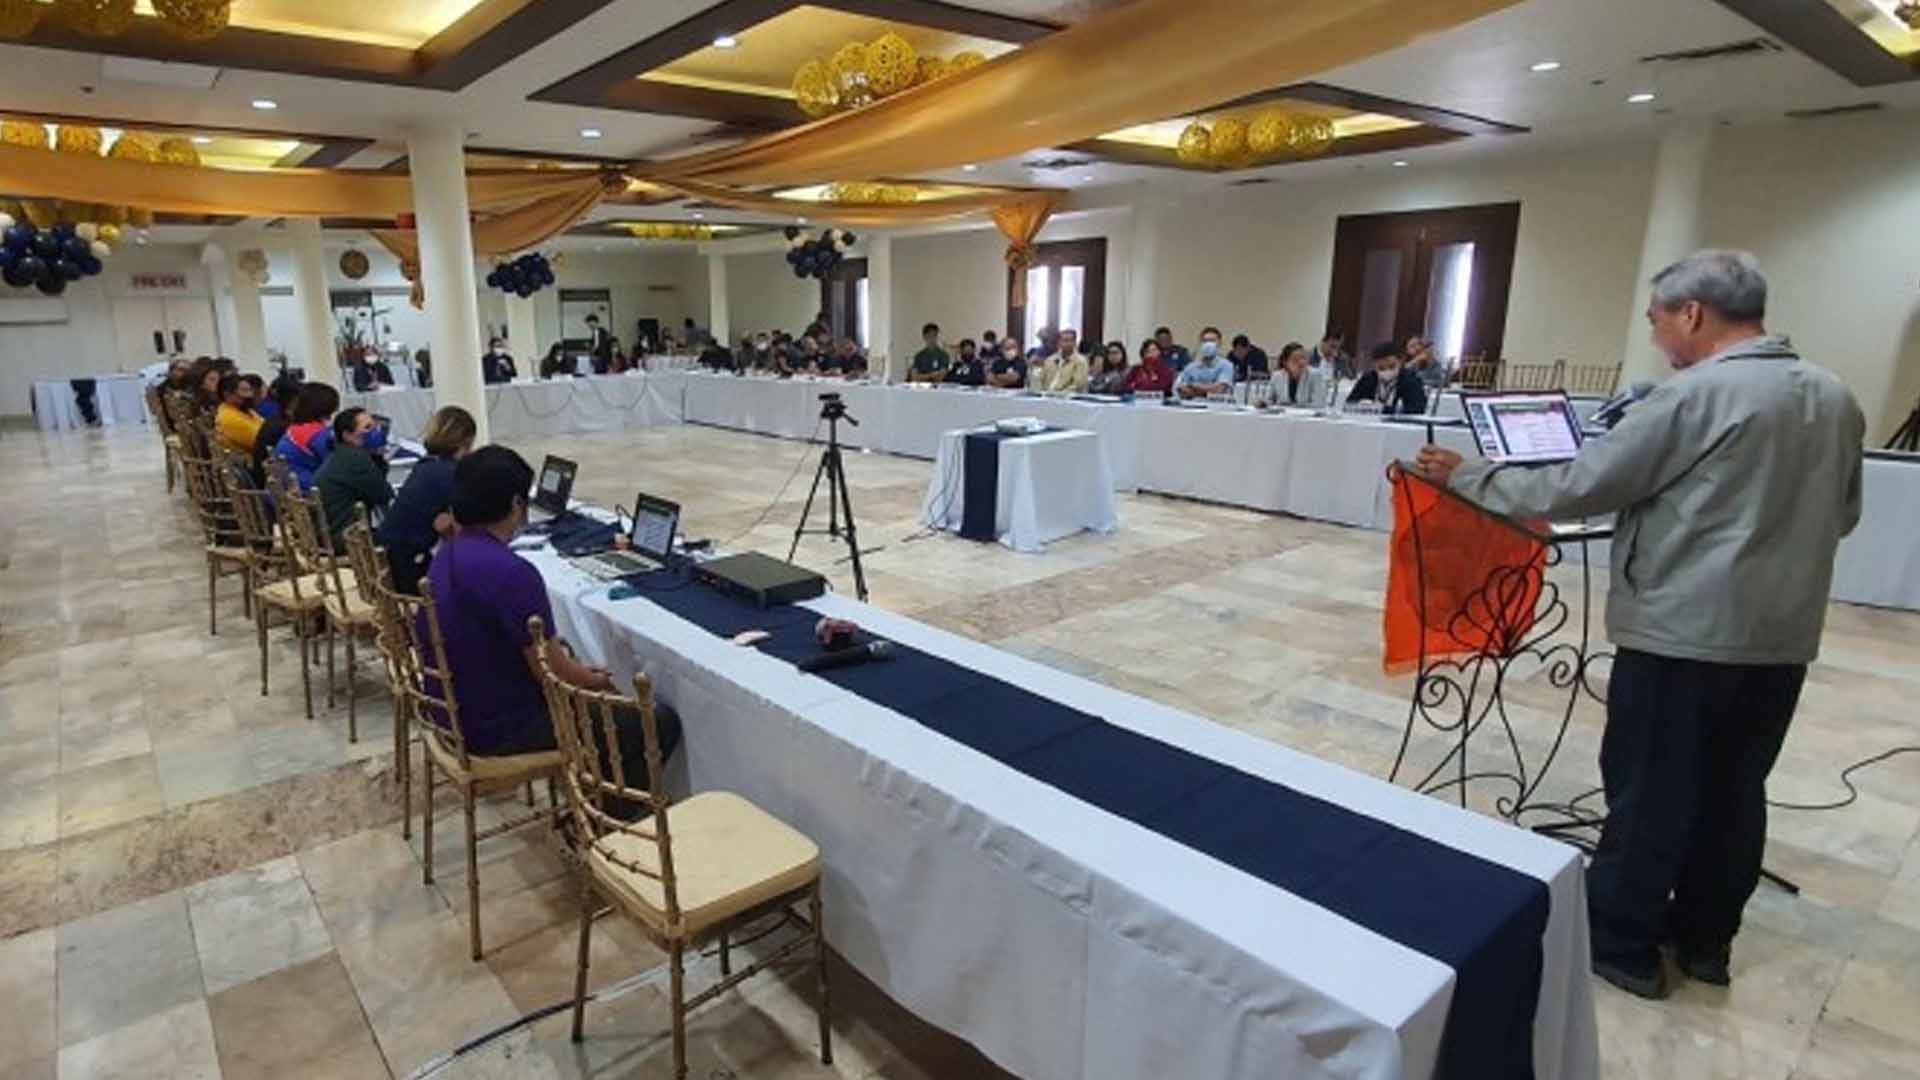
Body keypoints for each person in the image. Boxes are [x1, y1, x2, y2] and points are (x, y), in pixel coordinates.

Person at [1415, 250, 1865, 1000]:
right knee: (1735, 788)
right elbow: (1843, 515)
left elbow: (1579, 485)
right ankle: (1706, 942)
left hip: (1683, 631)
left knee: (1653, 789)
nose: (1655, 336)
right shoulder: (1834, 395)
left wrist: (1467, 475)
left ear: (1692, 313)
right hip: (1781, 639)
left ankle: (1622, 945)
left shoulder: (1694, 397)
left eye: (1656, 319)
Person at [421, 445, 682, 796]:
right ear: (516, 505)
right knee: (653, 722)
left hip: (448, 710)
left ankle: (591, 795)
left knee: (594, 691)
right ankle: (610, 818)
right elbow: (555, 675)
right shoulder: (512, 573)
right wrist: (595, 681)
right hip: (495, 729)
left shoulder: (448, 550)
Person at [379, 405, 475, 594]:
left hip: (393, 561)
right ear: (467, 440)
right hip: (411, 572)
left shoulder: (426, 465)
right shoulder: (451, 473)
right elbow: (470, 522)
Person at [313, 407, 393, 547]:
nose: (375, 432)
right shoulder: (356, 460)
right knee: (403, 537)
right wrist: (379, 458)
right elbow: (384, 496)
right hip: (347, 538)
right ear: (347, 435)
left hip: (330, 532)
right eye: (367, 428)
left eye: (374, 426)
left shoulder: (339, 453)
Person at [274, 382, 341, 491]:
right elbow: (339, 463)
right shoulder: (316, 434)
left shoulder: (297, 428)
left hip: (291, 486)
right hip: (307, 490)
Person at [1346, 340, 1428, 415]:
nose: (1387, 371)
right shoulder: (1367, 379)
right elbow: (1348, 404)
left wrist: (1381, 409)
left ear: (1400, 361)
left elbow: (1417, 409)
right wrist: (1360, 406)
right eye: (1381, 368)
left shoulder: (1411, 381)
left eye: (1391, 366)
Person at [1174, 327, 1236, 400]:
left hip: (1218, 405)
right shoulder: (1191, 366)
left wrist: (1193, 385)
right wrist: (1208, 391)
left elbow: (1219, 390)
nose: (1208, 344)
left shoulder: (1226, 365)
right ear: (1200, 343)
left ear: (1219, 343)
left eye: (1212, 341)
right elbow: (1180, 389)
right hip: (1193, 405)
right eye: (1205, 341)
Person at [213, 373, 264, 455]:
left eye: (250, 390)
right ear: (227, 394)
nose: (250, 395)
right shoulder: (228, 417)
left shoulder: (245, 410)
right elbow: (263, 442)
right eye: (244, 391)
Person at [1265, 342, 1329, 408]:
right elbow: (1269, 399)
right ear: (1285, 362)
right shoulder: (1277, 376)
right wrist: (1264, 403)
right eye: (1295, 359)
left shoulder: (1315, 375)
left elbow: (1319, 403)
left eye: (1303, 358)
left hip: (1307, 413)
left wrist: (1295, 407)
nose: (1301, 362)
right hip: (1283, 413)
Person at [1037, 328, 1090, 393]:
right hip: (1046, 395)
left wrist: (1057, 395)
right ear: (1059, 342)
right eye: (1065, 340)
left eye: (1071, 341)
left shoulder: (1081, 361)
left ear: (1075, 343)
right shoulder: (1050, 360)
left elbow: (1077, 386)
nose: (1068, 344)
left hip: (1069, 397)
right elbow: (1041, 380)